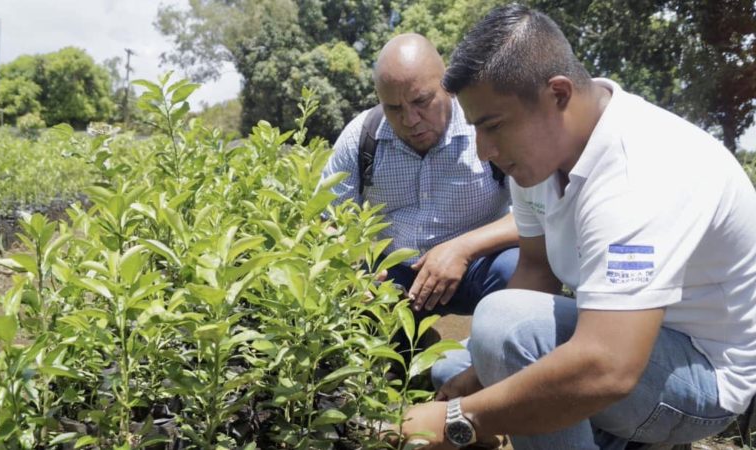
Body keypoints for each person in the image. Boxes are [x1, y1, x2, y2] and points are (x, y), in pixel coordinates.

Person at [400, 5, 756, 449]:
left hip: (700, 380)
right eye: (475, 128)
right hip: (621, 343)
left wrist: (457, 420)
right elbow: (535, 271)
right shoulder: (536, 162)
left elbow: (609, 367)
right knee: (456, 366)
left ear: (558, 94)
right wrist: (485, 373)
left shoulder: (639, 168)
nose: (484, 150)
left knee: (502, 331)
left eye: (492, 126)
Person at [321, 34, 519, 322]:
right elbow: (328, 221)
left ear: (448, 86)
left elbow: (537, 215)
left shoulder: (486, 126)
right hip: (394, 277)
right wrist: (349, 273)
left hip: (476, 264)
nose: (410, 120)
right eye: (394, 108)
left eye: (422, 101)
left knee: (515, 270)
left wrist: (462, 249)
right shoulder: (362, 137)